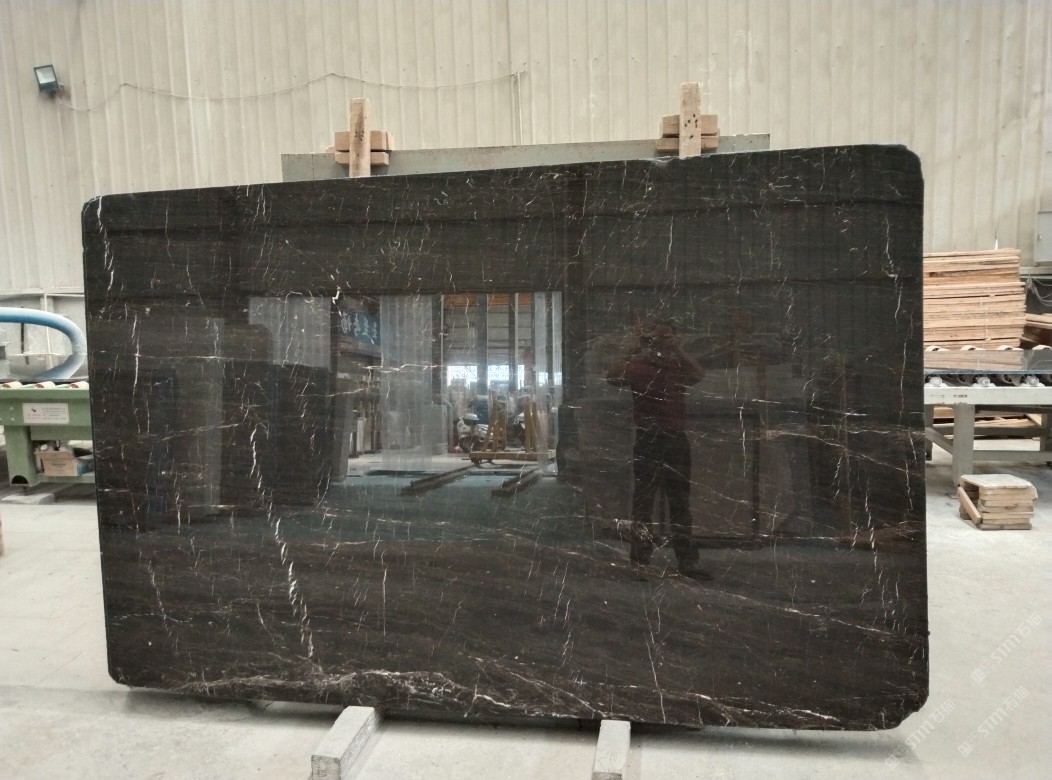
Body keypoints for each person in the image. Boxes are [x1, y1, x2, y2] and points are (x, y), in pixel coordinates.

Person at [606, 315, 708, 577]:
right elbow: (612, 377)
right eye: (657, 338)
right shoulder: (639, 365)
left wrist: (678, 349)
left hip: (673, 439)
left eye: (665, 337)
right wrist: (634, 347)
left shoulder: (676, 365)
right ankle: (642, 560)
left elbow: (699, 374)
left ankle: (684, 561)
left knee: (678, 502)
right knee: (644, 503)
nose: (660, 343)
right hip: (650, 438)